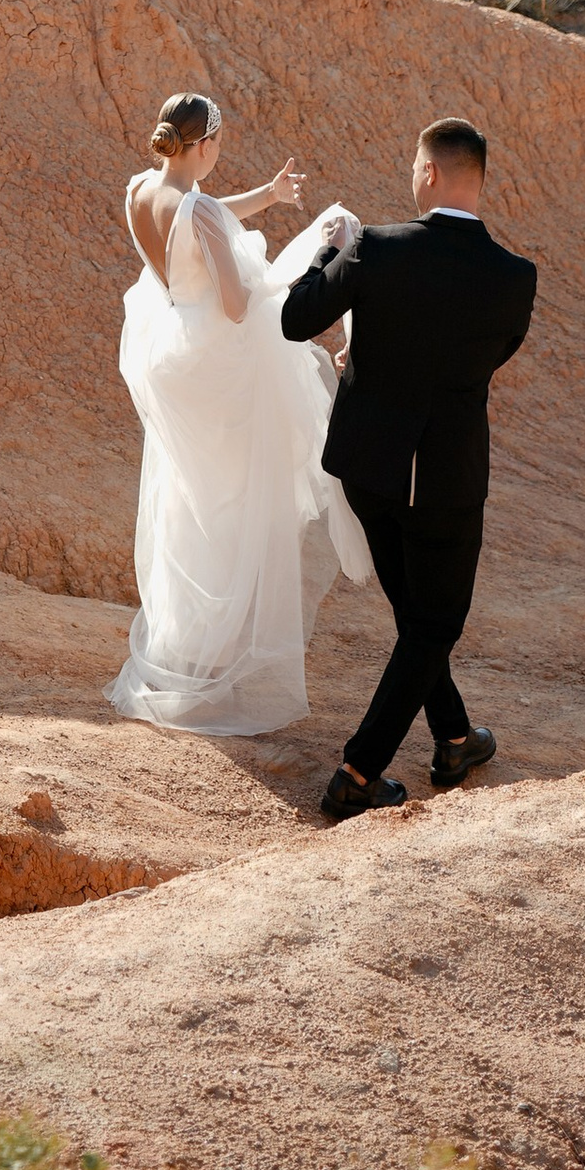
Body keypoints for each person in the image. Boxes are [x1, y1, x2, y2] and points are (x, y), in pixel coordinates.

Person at [277, 112, 536, 818]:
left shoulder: (375, 249)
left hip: (367, 469)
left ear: (426, 173)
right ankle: (357, 775)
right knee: (432, 625)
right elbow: (481, 360)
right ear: (479, 180)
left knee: (419, 618)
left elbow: (296, 318)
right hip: (447, 477)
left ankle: (454, 738)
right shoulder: (517, 278)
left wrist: (322, 256)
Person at [108, 89, 371, 737]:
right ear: (204, 144)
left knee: (193, 498)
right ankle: (217, 650)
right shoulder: (194, 204)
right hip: (211, 361)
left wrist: (270, 196)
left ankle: (186, 646)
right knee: (234, 503)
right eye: (218, 144)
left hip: (170, 353)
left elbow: (198, 216)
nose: (220, 154)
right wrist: (296, 271)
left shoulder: (140, 187)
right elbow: (234, 302)